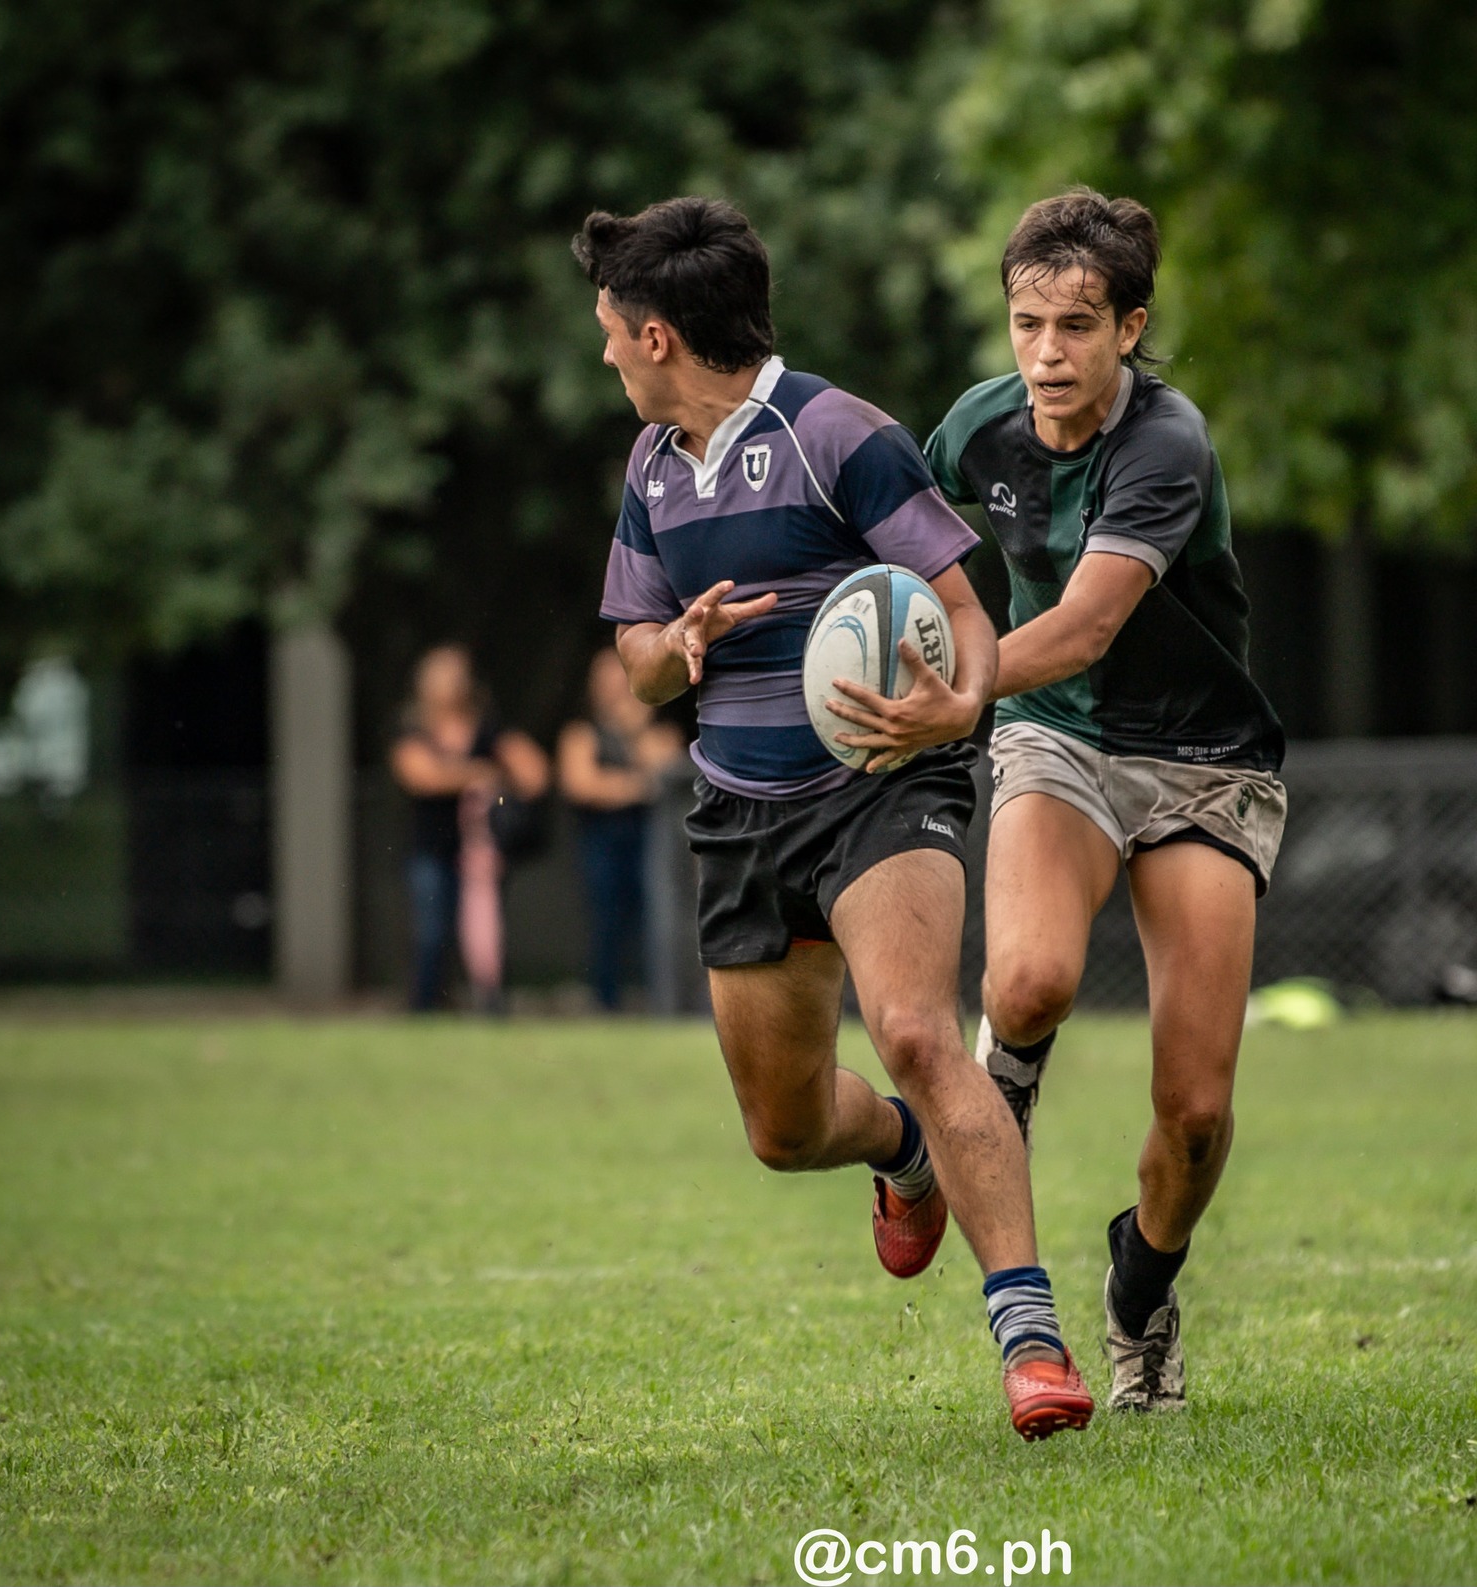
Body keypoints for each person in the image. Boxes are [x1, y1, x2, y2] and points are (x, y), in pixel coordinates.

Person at [579, 195, 1092, 1439]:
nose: (598, 352)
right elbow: (637, 670)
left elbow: (961, 607)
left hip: (878, 783)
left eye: (606, 329)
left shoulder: (833, 433)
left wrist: (956, 707)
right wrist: (678, 644)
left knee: (918, 1029)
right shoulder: (651, 472)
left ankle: (1030, 1337)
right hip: (739, 813)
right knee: (784, 1126)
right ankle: (903, 1155)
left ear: (656, 336)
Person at [914, 188, 1289, 1413]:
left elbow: (1080, 626)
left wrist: (953, 688)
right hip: (1054, 743)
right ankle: (971, 1131)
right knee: (1024, 983)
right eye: (1026, 324)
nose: (1045, 355)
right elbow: (880, 523)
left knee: (1191, 1116)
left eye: (1076, 326)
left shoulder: (1165, 447)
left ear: (1129, 328)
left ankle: (1140, 1291)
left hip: (1198, 763)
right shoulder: (979, 428)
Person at [390, 645, 551, 1015]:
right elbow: (421, 777)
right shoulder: (412, 730)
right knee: (432, 932)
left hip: (481, 852)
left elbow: (535, 773)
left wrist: (494, 779)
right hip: (430, 849)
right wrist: (482, 773)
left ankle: (490, 1004)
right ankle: (426, 1006)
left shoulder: (488, 728)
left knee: (486, 932)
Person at [557, 647, 684, 1010]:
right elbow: (582, 785)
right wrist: (639, 786)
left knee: (659, 921)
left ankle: (661, 1001)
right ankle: (606, 1001)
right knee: (606, 924)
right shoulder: (581, 732)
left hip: (654, 842)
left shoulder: (658, 729)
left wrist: (635, 730)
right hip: (601, 841)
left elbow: (667, 765)